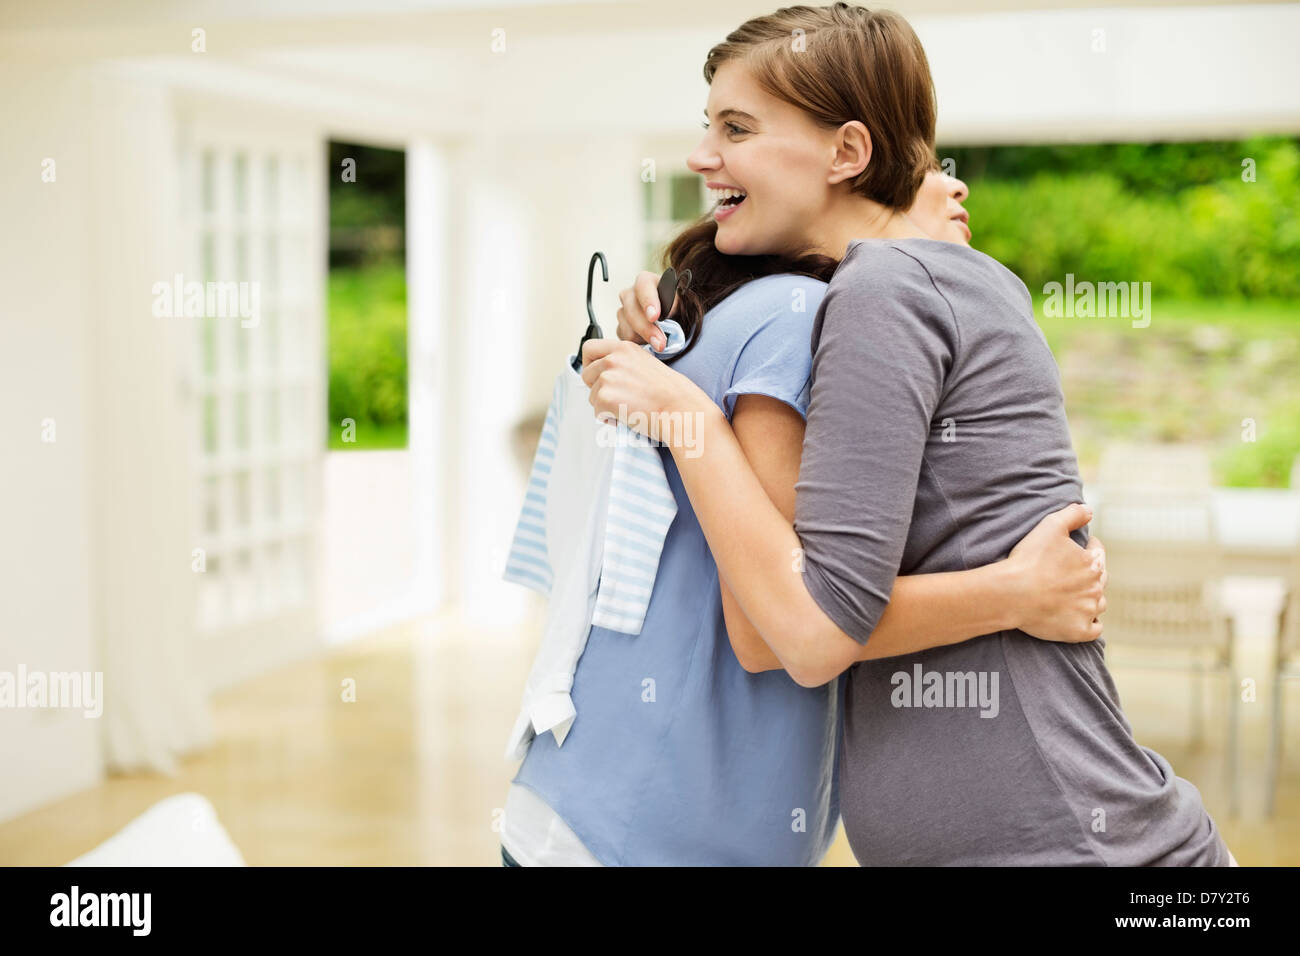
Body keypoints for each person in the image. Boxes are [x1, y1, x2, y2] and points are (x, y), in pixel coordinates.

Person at [585, 2, 1233, 865]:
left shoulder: (886, 290)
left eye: (735, 129)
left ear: (848, 153)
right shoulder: (921, 284)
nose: (703, 156)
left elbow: (809, 631)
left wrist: (687, 416)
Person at [501, 92, 1107, 868]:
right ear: (856, 171)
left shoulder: (768, 315)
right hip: (641, 832)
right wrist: (1017, 593)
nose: (957, 187)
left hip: (600, 805)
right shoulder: (798, 315)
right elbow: (778, 627)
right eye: (924, 167)